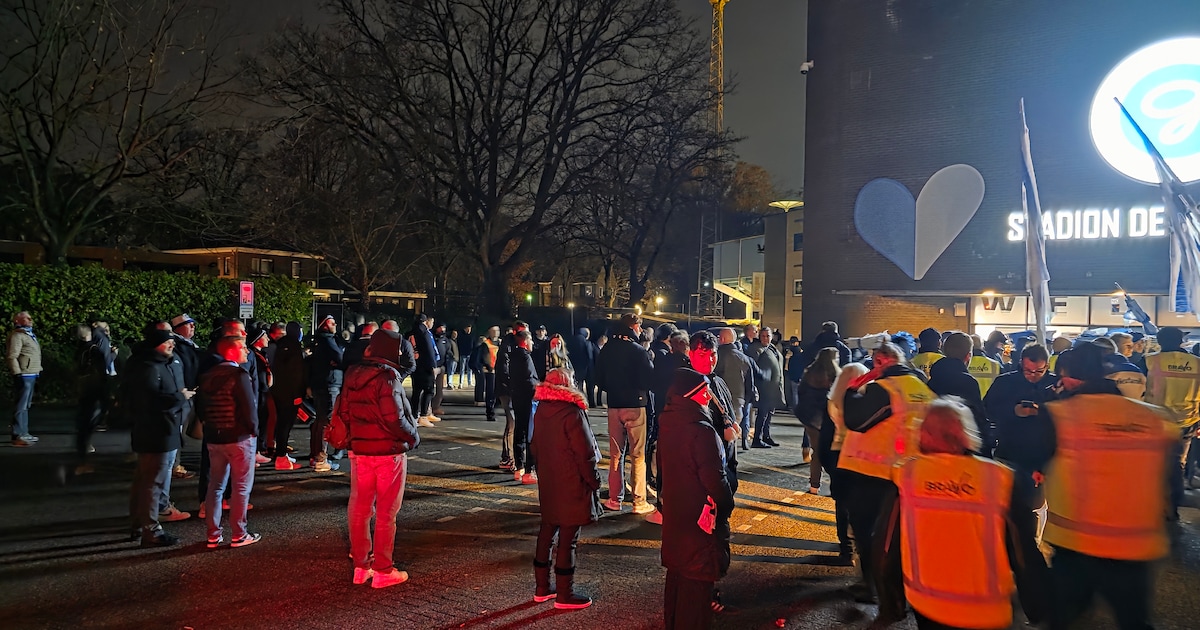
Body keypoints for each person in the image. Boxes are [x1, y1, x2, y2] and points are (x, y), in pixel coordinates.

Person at [1040, 343, 1175, 629]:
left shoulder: (1060, 415)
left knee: (1061, 618)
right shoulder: (1153, 418)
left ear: (1068, 377)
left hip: (1076, 544)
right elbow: (1171, 479)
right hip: (1134, 543)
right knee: (1134, 621)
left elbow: (1029, 456)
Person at [889, 398, 1018, 630]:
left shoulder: (907, 475)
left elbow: (887, 542)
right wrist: (1035, 600)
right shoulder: (997, 478)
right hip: (986, 608)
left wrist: (891, 598)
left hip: (927, 601)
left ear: (924, 434)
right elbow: (1021, 548)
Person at [840, 341, 931, 620]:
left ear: (880, 362)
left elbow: (856, 420)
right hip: (910, 472)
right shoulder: (922, 388)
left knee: (870, 535)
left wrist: (853, 388)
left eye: (874, 362)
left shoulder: (885, 388)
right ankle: (900, 591)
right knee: (899, 536)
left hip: (875, 472)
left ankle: (875, 587)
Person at [340, 329, 420, 588]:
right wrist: (413, 437)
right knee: (386, 512)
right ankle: (384, 569)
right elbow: (395, 419)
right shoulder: (387, 377)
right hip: (388, 453)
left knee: (360, 508)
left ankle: (361, 566)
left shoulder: (353, 374)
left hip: (360, 451)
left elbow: (344, 413)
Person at [658, 368, 735, 630]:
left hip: (677, 516)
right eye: (704, 392)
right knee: (697, 587)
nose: (708, 396)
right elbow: (714, 479)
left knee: (678, 580)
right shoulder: (701, 431)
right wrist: (726, 505)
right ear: (691, 395)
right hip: (700, 519)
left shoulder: (669, 422)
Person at [529, 368, 601, 610]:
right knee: (568, 539)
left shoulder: (541, 409)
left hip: (549, 481)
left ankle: (541, 588)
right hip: (571, 482)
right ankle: (564, 594)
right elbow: (585, 453)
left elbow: (534, 446)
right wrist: (594, 481)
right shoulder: (572, 412)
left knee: (547, 532)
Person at [127, 329, 193, 547]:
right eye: (167, 342)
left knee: (146, 480)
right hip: (157, 431)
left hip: (164, 429)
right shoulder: (148, 367)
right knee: (153, 482)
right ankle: (151, 530)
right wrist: (179, 397)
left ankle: (139, 525)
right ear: (156, 344)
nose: (172, 345)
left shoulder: (162, 363)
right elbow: (147, 401)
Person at [198, 335, 260, 549]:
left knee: (215, 486)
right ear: (231, 352)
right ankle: (239, 533)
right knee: (241, 487)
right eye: (242, 347)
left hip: (214, 438)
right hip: (238, 437)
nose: (247, 351)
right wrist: (254, 432)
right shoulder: (239, 375)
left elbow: (201, 408)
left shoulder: (207, 376)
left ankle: (213, 534)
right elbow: (249, 408)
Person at [595, 313, 654, 514]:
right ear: (634, 326)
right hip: (635, 404)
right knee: (637, 455)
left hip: (614, 404)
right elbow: (649, 379)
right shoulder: (638, 350)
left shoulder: (607, 349)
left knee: (615, 455)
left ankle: (614, 499)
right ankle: (639, 501)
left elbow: (599, 378)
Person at [1143, 326, 1200, 516]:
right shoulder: (1197, 363)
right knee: (1178, 462)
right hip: (1187, 420)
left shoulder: (1150, 361)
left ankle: (1153, 503)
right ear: (1181, 341)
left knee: (1155, 462)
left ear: (1159, 341)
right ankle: (1172, 505)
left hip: (1156, 419)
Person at [824, 360, 867, 562]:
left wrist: (829, 465)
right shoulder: (869, 401)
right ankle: (860, 546)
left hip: (838, 456)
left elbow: (824, 437)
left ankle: (846, 548)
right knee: (861, 504)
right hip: (862, 458)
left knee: (842, 505)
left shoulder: (831, 403)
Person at [927, 332, 988, 454]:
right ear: (968, 356)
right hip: (961, 446)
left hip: (935, 445)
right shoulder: (968, 382)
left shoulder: (932, 381)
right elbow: (977, 417)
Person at [795, 348, 838, 494]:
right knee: (832, 452)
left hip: (809, 418)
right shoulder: (833, 375)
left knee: (817, 452)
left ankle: (814, 485)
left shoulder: (809, 372)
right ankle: (834, 484)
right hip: (827, 417)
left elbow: (800, 392)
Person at [75, 319, 117, 469]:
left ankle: (83, 448)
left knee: (85, 416)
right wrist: (113, 355)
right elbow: (103, 363)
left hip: (84, 384)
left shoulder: (80, 349)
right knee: (90, 417)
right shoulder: (95, 349)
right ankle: (83, 454)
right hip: (94, 385)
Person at [309, 315, 344, 471]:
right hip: (329, 384)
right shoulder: (328, 340)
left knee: (319, 420)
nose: (335, 325)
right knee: (326, 421)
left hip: (319, 384)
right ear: (324, 325)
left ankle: (315, 456)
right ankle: (321, 459)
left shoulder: (318, 341)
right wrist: (338, 362)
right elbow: (340, 358)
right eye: (332, 323)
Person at [715, 328, 760, 452]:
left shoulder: (717, 356)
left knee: (719, 439)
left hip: (720, 404)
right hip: (738, 403)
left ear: (722, 339)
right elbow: (749, 384)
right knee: (732, 438)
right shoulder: (744, 358)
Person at [271, 322, 307, 470]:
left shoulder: (281, 344)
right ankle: (281, 457)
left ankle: (282, 454)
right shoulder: (294, 346)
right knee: (286, 424)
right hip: (290, 393)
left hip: (279, 390)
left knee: (281, 424)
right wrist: (298, 394)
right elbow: (296, 372)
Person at [495, 321, 528, 470]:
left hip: (509, 388)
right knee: (512, 422)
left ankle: (506, 456)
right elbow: (504, 369)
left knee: (512, 423)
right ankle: (510, 458)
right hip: (507, 389)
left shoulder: (510, 345)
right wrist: (512, 385)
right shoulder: (508, 347)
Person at [7, 311, 42, 447]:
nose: (30, 320)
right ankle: (17, 434)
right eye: (26, 318)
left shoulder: (28, 334)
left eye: (30, 317)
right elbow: (12, 356)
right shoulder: (17, 336)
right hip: (24, 374)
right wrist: (17, 373)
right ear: (17, 321)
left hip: (32, 373)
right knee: (21, 405)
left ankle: (24, 432)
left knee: (26, 405)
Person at [510, 330, 540, 484]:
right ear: (525, 341)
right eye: (530, 340)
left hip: (517, 397)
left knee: (519, 431)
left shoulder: (513, 356)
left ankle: (519, 467)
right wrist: (538, 389)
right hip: (528, 399)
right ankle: (529, 471)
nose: (532, 343)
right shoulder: (525, 357)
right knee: (530, 433)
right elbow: (529, 379)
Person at [749, 326, 785, 449]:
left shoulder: (772, 348)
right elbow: (752, 366)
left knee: (769, 413)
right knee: (763, 413)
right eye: (763, 336)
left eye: (768, 336)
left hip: (773, 387)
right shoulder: (757, 349)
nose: (765, 338)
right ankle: (757, 438)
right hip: (763, 387)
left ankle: (766, 436)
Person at [408, 314, 440, 425]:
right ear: (425, 321)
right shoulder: (424, 333)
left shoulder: (410, 333)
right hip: (425, 366)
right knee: (428, 391)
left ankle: (414, 415)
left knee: (416, 391)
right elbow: (429, 350)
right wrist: (433, 366)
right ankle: (423, 415)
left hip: (414, 365)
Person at [566, 327, 597, 405]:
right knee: (590, 386)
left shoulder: (571, 342)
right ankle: (591, 403)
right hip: (587, 368)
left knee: (578, 386)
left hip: (575, 368)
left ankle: (578, 402)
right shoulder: (587, 343)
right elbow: (590, 356)